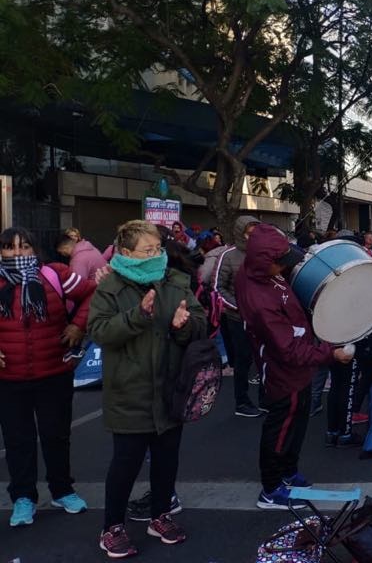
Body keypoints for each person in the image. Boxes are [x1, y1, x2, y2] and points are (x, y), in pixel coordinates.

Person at [88, 220, 206, 558]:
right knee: (125, 463)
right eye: (147, 250)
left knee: (166, 460)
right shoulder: (110, 287)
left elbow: (200, 323)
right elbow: (99, 331)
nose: (155, 255)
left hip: (171, 388)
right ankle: (112, 526)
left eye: (157, 249)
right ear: (126, 252)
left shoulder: (175, 281)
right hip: (129, 391)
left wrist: (185, 325)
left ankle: (160, 516)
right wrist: (137, 316)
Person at [234, 224, 353, 508]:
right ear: (266, 262)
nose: (286, 266)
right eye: (282, 262)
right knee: (281, 428)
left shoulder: (265, 273)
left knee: (297, 423)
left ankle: (288, 471)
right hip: (281, 373)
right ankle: (271, 487)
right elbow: (288, 349)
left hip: (297, 368)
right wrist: (331, 354)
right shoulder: (259, 299)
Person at [0, 227, 95, 528]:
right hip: (9, 378)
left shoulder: (55, 274)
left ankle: (62, 490)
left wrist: (79, 325)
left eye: (25, 246)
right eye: (10, 247)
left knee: (56, 436)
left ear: (35, 249)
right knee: (18, 441)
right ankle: (23, 497)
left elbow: (93, 292)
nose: (18, 253)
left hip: (54, 372)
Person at [215, 215, 263, 417]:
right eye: (249, 232)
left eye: (256, 231)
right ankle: (241, 402)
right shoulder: (228, 256)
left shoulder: (263, 252)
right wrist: (239, 307)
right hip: (238, 318)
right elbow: (218, 288)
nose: (253, 235)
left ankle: (264, 398)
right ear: (240, 232)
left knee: (263, 358)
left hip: (262, 318)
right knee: (243, 360)